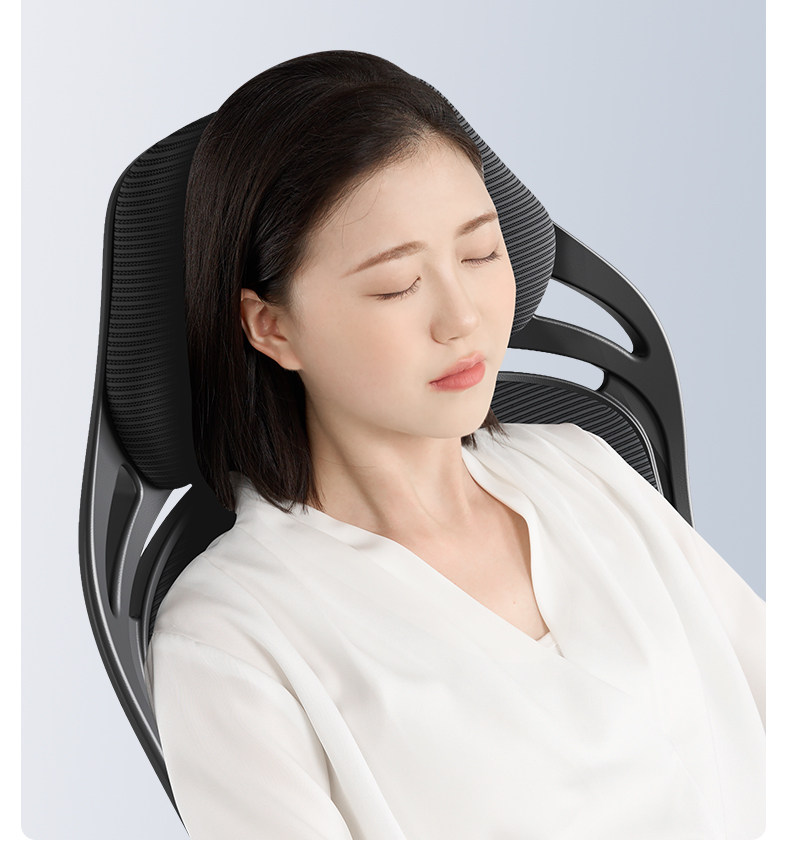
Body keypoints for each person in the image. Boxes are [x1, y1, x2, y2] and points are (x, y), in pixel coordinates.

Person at [143, 50, 765, 840]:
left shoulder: (583, 466)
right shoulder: (231, 635)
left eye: (481, 254)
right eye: (396, 285)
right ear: (273, 326)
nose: (462, 316)